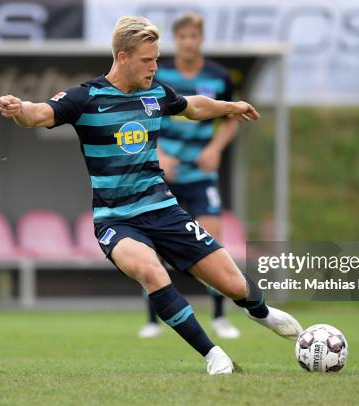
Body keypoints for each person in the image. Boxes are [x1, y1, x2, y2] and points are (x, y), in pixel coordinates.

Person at [0, 16, 302, 375]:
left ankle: (263, 313)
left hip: (165, 211)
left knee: (235, 284)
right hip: (116, 220)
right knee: (152, 272)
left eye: (157, 58)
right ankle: (214, 356)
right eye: (147, 60)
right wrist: (19, 110)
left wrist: (229, 107)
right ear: (123, 57)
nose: (155, 66)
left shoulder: (156, 93)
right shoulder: (86, 97)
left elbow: (191, 106)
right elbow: (38, 114)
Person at [138, 13, 241, 341]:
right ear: (176, 40)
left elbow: (230, 117)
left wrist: (216, 148)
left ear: (201, 39)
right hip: (162, 172)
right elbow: (141, 116)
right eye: (182, 37)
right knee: (151, 246)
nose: (188, 42)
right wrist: (159, 154)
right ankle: (153, 321)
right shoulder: (158, 73)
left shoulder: (218, 75)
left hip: (200, 174)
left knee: (211, 242)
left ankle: (221, 317)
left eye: (193, 37)